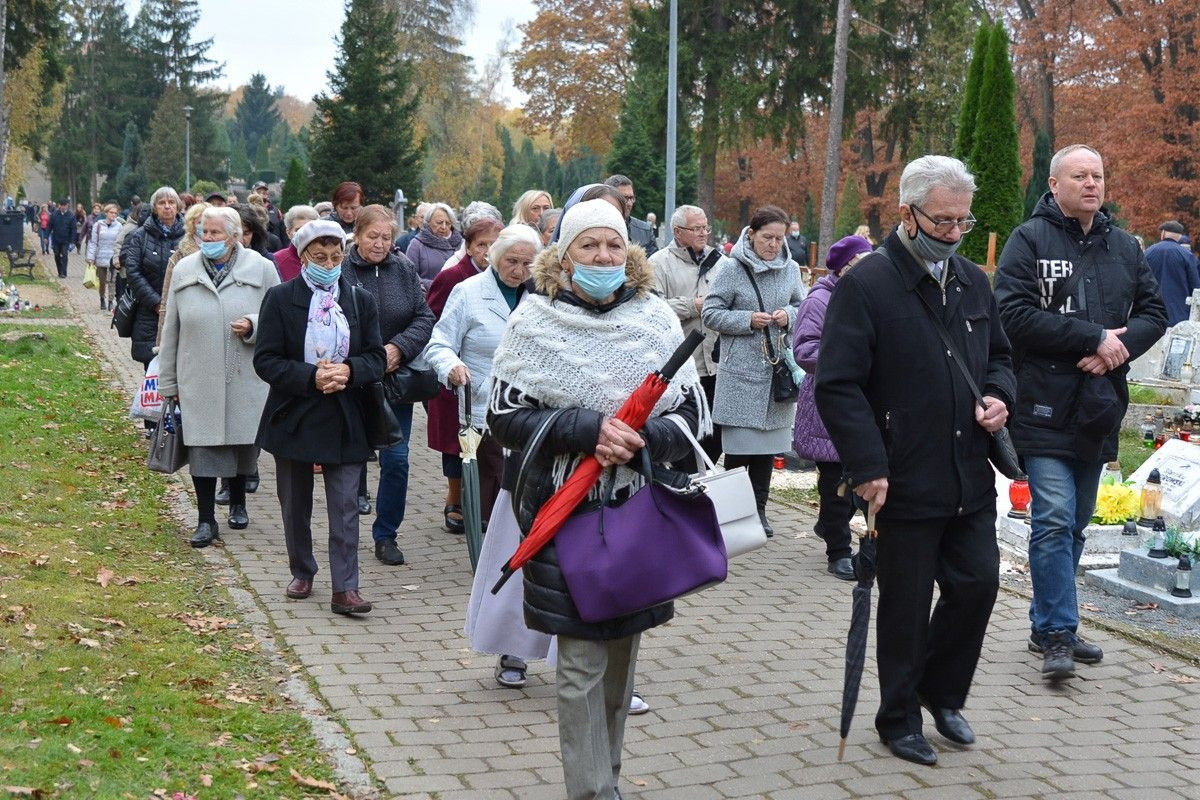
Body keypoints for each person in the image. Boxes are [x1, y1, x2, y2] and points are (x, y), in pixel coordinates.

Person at [487, 198, 706, 800]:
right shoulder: (534, 322)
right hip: (566, 514)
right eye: (589, 246)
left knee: (619, 667)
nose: (603, 256)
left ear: (629, 255)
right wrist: (586, 429)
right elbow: (502, 415)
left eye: (613, 245)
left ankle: (604, 780)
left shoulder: (657, 320)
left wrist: (639, 440)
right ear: (564, 256)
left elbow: (691, 418)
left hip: (637, 513)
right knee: (581, 667)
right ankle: (590, 792)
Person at [816, 155, 1016, 766]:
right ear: (907, 214)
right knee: (903, 607)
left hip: (968, 474)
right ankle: (897, 717)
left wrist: (1000, 399)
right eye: (943, 221)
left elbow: (1001, 359)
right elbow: (838, 383)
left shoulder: (973, 282)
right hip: (899, 478)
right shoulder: (868, 284)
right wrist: (869, 465)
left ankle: (941, 691)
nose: (955, 233)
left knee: (978, 584)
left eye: (963, 221)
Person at [994, 144, 1167, 680]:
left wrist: (1117, 347)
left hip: (1098, 406)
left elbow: (1155, 312)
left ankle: (1051, 622)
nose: (1091, 183)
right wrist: (1091, 336)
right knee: (1050, 518)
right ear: (1054, 184)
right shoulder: (1029, 240)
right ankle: (1055, 635)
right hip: (1043, 403)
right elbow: (1012, 313)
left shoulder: (1125, 246)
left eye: (1097, 175)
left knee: (1073, 526)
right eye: (1079, 175)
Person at [253, 220, 387, 614]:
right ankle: (302, 569)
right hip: (294, 412)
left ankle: (345, 587)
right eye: (318, 257)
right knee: (295, 502)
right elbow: (266, 359)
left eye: (335, 256)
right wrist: (311, 376)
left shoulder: (359, 300)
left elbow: (377, 357)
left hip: (346, 414)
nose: (328, 264)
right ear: (302, 257)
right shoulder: (280, 298)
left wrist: (349, 371)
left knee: (346, 504)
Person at [158, 206, 280, 547]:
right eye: (203, 232)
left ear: (235, 235)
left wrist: (254, 325)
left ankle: (238, 502)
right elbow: (171, 331)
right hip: (198, 377)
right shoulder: (185, 269)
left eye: (214, 233)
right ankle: (206, 519)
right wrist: (168, 383)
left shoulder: (262, 268)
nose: (207, 239)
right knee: (203, 448)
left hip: (246, 375)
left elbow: (279, 317)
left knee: (244, 445)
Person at [702, 205, 805, 537]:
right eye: (767, 238)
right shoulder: (732, 268)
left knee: (765, 453)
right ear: (751, 234)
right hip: (740, 374)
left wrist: (788, 315)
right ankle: (734, 515)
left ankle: (759, 511)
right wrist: (747, 320)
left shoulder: (790, 269)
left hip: (777, 376)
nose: (774, 245)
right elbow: (711, 313)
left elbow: (803, 307)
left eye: (779, 238)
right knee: (739, 451)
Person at [341, 204, 434, 563]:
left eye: (386, 237)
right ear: (357, 235)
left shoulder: (404, 269)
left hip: (394, 384)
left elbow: (424, 317)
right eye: (372, 237)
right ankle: (345, 532)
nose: (379, 244)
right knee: (349, 460)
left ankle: (386, 534)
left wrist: (399, 348)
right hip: (351, 380)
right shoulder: (342, 270)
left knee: (396, 460)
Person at [792, 235, 873, 581]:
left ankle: (832, 526)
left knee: (866, 477)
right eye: (861, 263)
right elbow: (804, 350)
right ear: (845, 267)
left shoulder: (872, 296)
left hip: (866, 401)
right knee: (834, 480)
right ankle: (838, 552)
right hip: (829, 402)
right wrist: (848, 359)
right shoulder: (820, 300)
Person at [425, 216, 504, 534]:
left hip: (493, 386)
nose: (487, 251)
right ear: (469, 246)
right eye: (481, 244)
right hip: (457, 379)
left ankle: (485, 506)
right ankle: (454, 499)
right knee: (456, 446)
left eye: (493, 245)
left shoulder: (516, 281)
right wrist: (450, 365)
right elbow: (434, 322)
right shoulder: (454, 278)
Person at [649, 203, 723, 464]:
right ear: (678, 232)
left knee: (715, 438)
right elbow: (652, 308)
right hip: (681, 368)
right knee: (684, 439)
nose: (703, 233)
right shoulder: (658, 264)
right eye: (696, 228)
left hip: (716, 365)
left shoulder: (721, 262)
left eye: (705, 228)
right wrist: (693, 306)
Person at [122, 186, 186, 370]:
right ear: (154, 208)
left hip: (182, 309)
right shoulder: (139, 236)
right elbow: (133, 272)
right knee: (152, 369)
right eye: (162, 203)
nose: (167, 207)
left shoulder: (189, 237)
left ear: (178, 206)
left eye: (171, 202)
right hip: (149, 312)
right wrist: (156, 303)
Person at [156, 201, 209, 345]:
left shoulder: (221, 254)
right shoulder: (179, 257)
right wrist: (162, 343)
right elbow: (166, 301)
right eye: (200, 222)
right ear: (192, 224)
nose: (204, 226)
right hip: (187, 324)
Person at [1146, 221, 1199, 326]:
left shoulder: (1148, 252)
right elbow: (1196, 287)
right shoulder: (1187, 256)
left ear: (1163, 233)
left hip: (1151, 311)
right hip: (1180, 314)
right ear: (1179, 236)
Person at [405, 202, 462, 288]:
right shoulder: (416, 245)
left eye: (448, 223)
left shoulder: (462, 244)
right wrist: (436, 284)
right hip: (428, 297)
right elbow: (409, 276)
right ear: (428, 222)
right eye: (439, 222)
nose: (444, 227)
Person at [603, 174, 658, 256]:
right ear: (608, 199)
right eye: (624, 198)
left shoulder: (645, 230)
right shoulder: (594, 227)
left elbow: (652, 264)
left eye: (631, 198)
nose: (629, 203)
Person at [86, 204, 122, 311]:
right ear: (106, 213)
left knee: (113, 280)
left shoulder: (119, 226)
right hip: (101, 257)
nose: (113, 215)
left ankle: (111, 301)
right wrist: (90, 257)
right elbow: (93, 242)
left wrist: (119, 257)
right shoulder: (98, 225)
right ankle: (102, 298)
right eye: (111, 212)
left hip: (113, 258)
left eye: (115, 213)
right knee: (102, 281)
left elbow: (120, 243)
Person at [274, 205, 320, 282]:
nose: (305, 234)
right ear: (288, 233)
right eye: (299, 230)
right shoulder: (276, 261)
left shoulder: (328, 259)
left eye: (310, 229)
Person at [49, 199, 77, 278]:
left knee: (64, 254)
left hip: (66, 240)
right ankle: (59, 270)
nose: (63, 207)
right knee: (57, 254)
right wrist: (47, 237)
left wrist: (73, 242)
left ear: (67, 205)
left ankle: (64, 272)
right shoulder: (54, 214)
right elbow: (50, 226)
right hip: (56, 239)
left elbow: (73, 229)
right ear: (59, 205)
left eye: (65, 205)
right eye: (62, 205)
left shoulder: (71, 216)